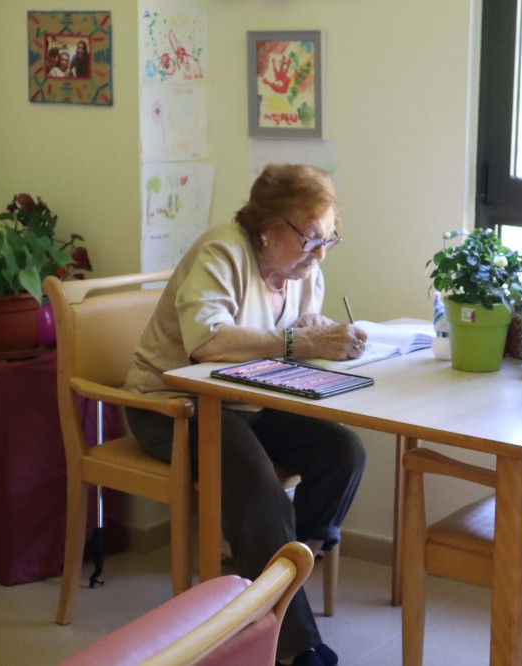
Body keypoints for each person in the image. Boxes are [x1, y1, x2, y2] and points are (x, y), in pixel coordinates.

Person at [122, 164, 367, 666]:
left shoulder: (304, 270)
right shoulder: (223, 251)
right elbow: (206, 341)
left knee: (343, 451)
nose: (319, 253)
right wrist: (302, 339)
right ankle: (297, 646)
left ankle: (284, 566)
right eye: (309, 238)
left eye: (328, 238)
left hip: (246, 401)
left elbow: (292, 335)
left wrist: (314, 330)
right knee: (259, 485)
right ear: (267, 226)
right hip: (172, 408)